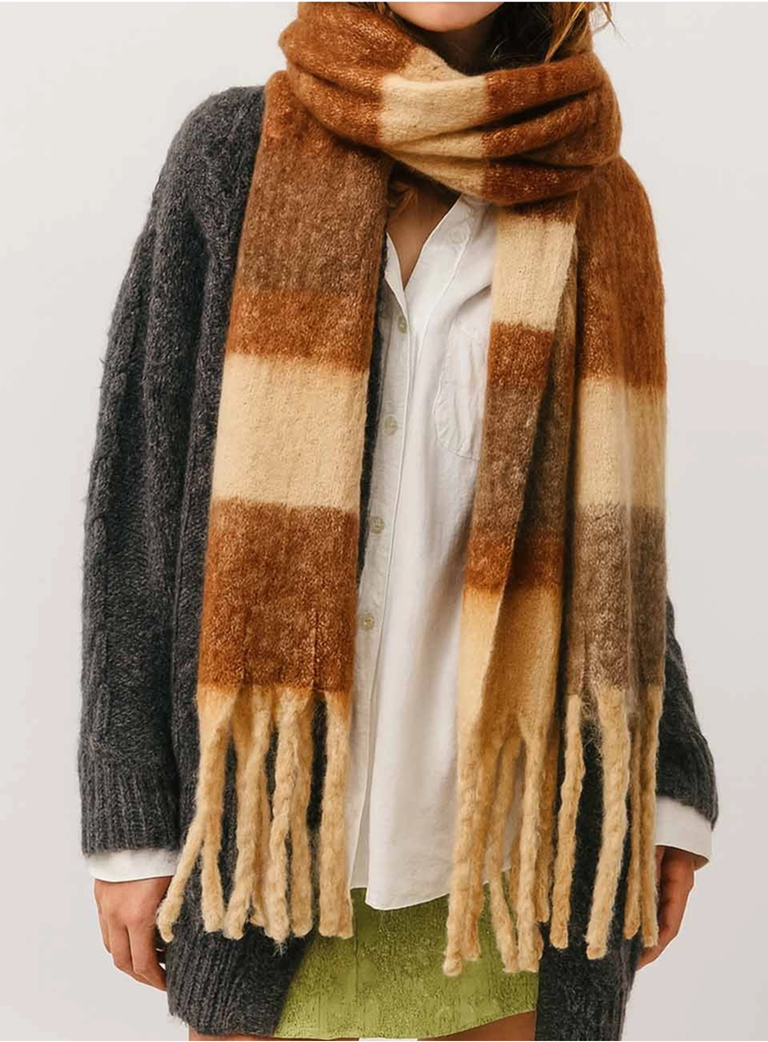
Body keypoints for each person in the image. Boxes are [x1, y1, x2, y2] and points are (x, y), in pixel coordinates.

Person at [79, 3, 719, 1040]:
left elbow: (616, 547)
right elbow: (138, 516)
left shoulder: (594, 198)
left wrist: (667, 779)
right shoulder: (231, 157)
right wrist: (131, 826)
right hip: (267, 841)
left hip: (507, 854)